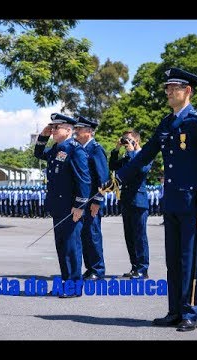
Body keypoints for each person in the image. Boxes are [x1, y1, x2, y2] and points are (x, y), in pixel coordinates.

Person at [102, 67, 197, 331]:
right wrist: (118, 178)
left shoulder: (196, 120)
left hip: (193, 202)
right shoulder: (167, 122)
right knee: (173, 259)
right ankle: (174, 310)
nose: (169, 92)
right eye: (167, 88)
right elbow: (146, 154)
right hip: (171, 200)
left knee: (189, 259)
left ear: (187, 91)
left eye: (174, 88)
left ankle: (191, 312)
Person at [34, 113, 91, 297]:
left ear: (68, 130)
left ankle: (74, 286)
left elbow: (84, 179)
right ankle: (66, 282)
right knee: (62, 246)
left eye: (56, 127)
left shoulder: (75, 150)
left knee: (71, 246)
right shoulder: (57, 148)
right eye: (52, 127)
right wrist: (43, 136)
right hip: (58, 205)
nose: (53, 130)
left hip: (70, 207)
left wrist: (80, 205)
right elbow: (38, 153)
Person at [109, 129, 151, 279]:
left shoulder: (144, 154)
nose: (126, 142)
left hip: (139, 201)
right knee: (129, 236)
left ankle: (143, 268)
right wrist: (116, 149)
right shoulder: (127, 157)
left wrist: (133, 152)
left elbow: (141, 169)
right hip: (126, 200)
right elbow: (113, 166)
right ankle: (134, 266)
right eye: (124, 139)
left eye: (128, 140)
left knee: (140, 236)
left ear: (136, 141)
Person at [74, 115, 109, 281]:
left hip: (92, 201)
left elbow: (103, 179)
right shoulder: (81, 149)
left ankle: (98, 269)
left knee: (93, 234)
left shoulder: (96, 149)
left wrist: (97, 201)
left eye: (79, 129)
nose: (76, 132)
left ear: (88, 132)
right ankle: (90, 268)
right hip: (84, 201)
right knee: (85, 235)